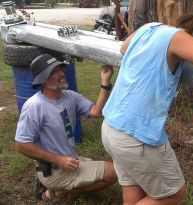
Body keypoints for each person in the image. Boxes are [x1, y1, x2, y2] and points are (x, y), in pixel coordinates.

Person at [101, 2, 193, 205]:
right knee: (173, 194)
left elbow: (125, 48)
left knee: (134, 194)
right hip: (136, 136)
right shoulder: (178, 38)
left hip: (112, 127)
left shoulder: (150, 27)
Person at [14, 54, 117, 204]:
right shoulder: (34, 106)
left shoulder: (70, 96)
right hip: (53, 168)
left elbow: (96, 112)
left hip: (68, 161)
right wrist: (59, 160)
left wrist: (105, 83)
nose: (62, 73)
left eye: (60, 69)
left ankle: (55, 189)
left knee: (108, 171)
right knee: (114, 173)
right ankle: (56, 191)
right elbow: (21, 145)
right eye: (54, 71)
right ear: (43, 79)